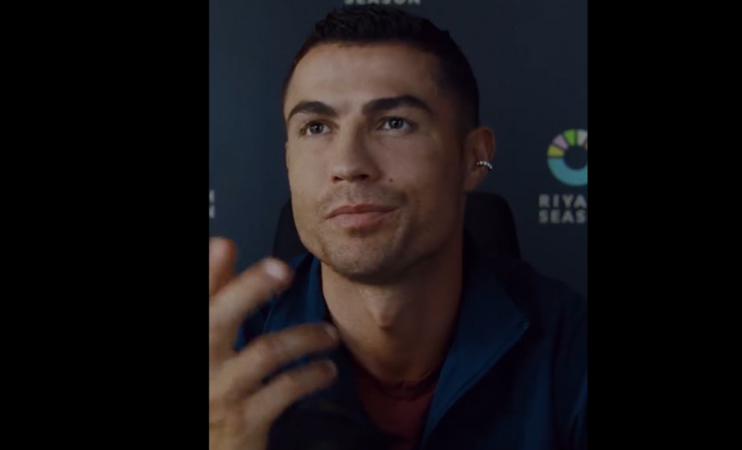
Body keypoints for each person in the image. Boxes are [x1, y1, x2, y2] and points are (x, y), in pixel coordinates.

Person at [209, 5, 587, 450]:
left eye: (394, 123)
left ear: (473, 157)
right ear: (288, 158)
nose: (348, 164)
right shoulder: (224, 362)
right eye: (316, 127)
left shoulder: (571, 348)